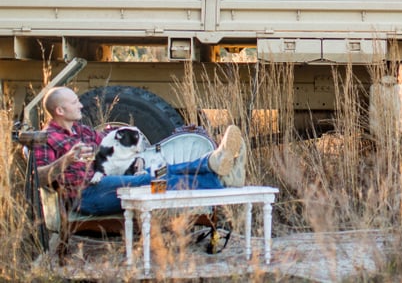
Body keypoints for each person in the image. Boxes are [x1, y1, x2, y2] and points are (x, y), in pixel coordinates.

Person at [33, 86, 247, 216]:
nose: (80, 105)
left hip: (107, 181)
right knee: (148, 183)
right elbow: (38, 178)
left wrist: (136, 154)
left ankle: (212, 163)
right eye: (74, 102)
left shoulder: (80, 130)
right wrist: (67, 160)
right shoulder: (46, 138)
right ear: (60, 110)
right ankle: (220, 181)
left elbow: (110, 139)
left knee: (158, 172)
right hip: (86, 196)